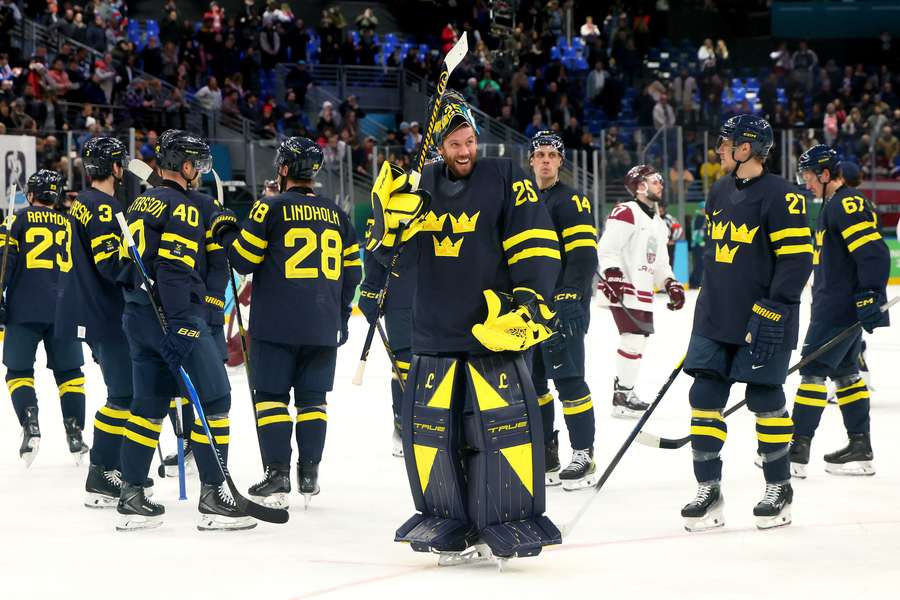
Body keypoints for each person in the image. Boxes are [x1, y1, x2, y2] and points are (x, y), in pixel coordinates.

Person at [369, 90, 562, 560]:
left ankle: (503, 517)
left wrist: (530, 298)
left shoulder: (505, 175)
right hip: (434, 332)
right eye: (454, 144)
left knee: (499, 433)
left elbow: (534, 238)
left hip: (491, 331)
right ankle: (447, 517)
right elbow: (388, 256)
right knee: (437, 436)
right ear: (439, 147)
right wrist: (390, 221)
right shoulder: (418, 185)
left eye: (470, 142)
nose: (464, 152)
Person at [210, 137, 361, 509]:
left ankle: (277, 474)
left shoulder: (269, 207)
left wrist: (225, 230)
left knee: (271, 399)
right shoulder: (338, 214)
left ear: (282, 168)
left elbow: (243, 260)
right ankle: (309, 474)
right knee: (313, 401)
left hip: (276, 324)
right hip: (322, 325)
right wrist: (340, 317)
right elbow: (353, 274)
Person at [680, 115, 813, 532]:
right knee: (704, 395)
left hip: (764, 317)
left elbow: (797, 260)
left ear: (745, 148)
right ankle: (709, 490)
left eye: (725, 143)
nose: (718, 149)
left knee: (764, 398)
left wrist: (776, 307)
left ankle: (779, 487)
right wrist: (705, 310)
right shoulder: (718, 190)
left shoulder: (784, 196)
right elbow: (713, 256)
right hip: (716, 316)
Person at [116, 130, 253, 532]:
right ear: (186, 166)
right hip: (175, 316)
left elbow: (128, 267)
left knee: (147, 405)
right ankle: (214, 496)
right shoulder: (185, 207)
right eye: (198, 164)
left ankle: (131, 495)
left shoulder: (140, 203)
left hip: (139, 315)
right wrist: (181, 324)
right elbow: (174, 268)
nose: (201, 171)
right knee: (216, 398)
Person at [789, 146, 890, 478]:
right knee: (846, 373)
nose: (806, 184)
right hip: (835, 304)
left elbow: (873, 252)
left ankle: (796, 450)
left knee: (812, 372)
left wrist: (870, 295)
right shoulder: (831, 204)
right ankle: (860, 446)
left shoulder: (846, 203)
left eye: (808, 177)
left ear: (825, 174)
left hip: (837, 307)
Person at [56, 138, 140, 506]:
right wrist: (145, 277)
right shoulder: (104, 206)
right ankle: (102, 471)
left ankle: (112, 467)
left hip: (88, 311)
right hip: (106, 313)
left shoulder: (81, 203)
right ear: (116, 168)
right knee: (124, 394)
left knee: (125, 392)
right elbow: (110, 264)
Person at [527, 130, 599, 489]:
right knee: (534, 383)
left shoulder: (572, 200)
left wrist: (570, 294)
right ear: (531, 160)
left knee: (569, 381)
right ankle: (546, 452)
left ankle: (584, 454)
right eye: (540, 154)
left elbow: (584, 254)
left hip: (561, 306)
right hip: (529, 309)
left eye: (551, 155)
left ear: (560, 162)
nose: (545, 160)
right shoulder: (523, 201)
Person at [1, 169, 87, 467]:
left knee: (18, 372)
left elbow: (4, 263)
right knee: (71, 374)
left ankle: (31, 425)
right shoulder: (70, 224)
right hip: (65, 310)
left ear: (31, 194)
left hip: (24, 308)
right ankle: (75, 432)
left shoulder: (16, 220)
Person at [597, 165, 685, 418]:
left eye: (660, 181)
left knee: (639, 341)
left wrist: (670, 283)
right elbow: (607, 248)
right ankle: (622, 398)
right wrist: (613, 274)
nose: (660, 184)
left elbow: (660, 263)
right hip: (623, 288)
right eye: (655, 181)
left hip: (642, 290)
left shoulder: (658, 223)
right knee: (633, 340)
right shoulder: (626, 211)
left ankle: (625, 393)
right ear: (640, 186)